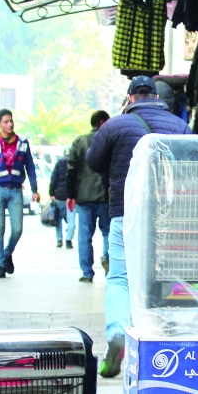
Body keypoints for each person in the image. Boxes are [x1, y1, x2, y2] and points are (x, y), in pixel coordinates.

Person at [86, 76, 192, 378]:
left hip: (125, 212)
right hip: (169, 216)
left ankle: (117, 332)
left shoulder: (115, 125)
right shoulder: (179, 126)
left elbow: (94, 162)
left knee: (120, 278)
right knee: (168, 275)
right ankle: (167, 338)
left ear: (130, 98)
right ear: (157, 97)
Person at [0, 108, 40, 279]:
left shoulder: (22, 143)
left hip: (16, 191)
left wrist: (35, 190)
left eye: (11, 120)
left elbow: (30, 167)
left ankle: (7, 253)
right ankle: (0, 264)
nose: (10, 124)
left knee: (17, 229)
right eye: (6, 121)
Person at [67, 110, 111, 283]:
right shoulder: (108, 141)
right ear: (102, 123)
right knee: (108, 232)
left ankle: (87, 273)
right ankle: (107, 258)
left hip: (84, 196)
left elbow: (71, 169)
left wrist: (71, 194)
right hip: (106, 195)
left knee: (85, 236)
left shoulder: (79, 141)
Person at [48, 153, 75, 249]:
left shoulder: (59, 162)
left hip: (59, 195)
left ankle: (59, 239)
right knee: (71, 219)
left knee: (58, 218)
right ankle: (68, 240)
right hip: (72, 196)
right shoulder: (75, 162)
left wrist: (51, 193)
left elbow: (53, 178)